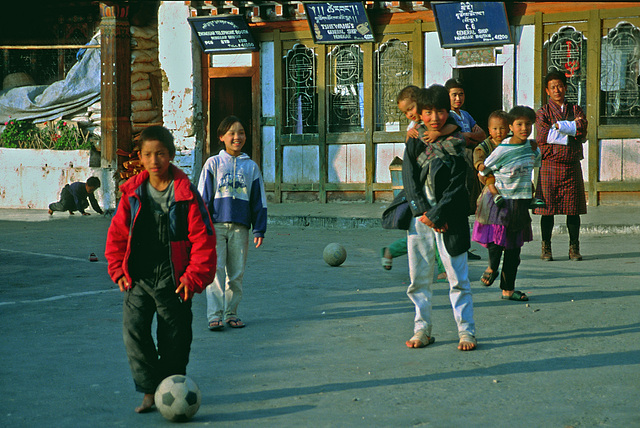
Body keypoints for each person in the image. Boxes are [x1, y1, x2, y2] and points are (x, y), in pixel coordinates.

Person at [105, 125, 217, 414]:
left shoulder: (186, 194)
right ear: (139, 158)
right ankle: (148, 389)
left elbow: (203, 238)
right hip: (139, 276)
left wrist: (193, 276)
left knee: (175, 336)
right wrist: (118, 269)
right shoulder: (132, 193)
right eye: (148, 155)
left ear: (171, 155)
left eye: (161, 154)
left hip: (175, 276)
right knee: (134, 331)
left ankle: (171, 386)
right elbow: (118, 234)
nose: (155, 161)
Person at [402, 84, 476, 351]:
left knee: (458, 278)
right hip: (419, 219)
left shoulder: (457, 142)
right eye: (428, 112)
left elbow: (459, 184)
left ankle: (466, 332)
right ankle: (421, 329)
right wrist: (423, 212)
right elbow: (408, 177)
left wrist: (438, 214)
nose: (435, 118)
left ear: (449, 112)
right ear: (419, 114)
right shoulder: (414, 140)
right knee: (419, 277)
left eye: (441, 111)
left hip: (450, 218)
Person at [197, 115, 267, 331]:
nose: (237, 137)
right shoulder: (213, 164)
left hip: (241, 228)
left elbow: (259, 199)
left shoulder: (251, 167)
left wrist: (259, 228)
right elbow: (203, 197)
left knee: (236, 274)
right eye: (232, 133)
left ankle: (231, 313)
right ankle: (214, 315)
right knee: (216, 272)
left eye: (241, 133)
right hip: (215, 227)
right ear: (221, 137)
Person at [382, 85, 457, 280]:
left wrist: (438, 134)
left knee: (436, 230)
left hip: (439, 188)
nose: (409, 115)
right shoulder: (414, 130)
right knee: (427, 232)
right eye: (405, 112)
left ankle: (442, 268)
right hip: (422, 191)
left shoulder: (440, 122)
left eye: (411, 109)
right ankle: (441, 269)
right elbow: (411, 169)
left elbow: (454, 126)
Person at [472, 106, 541, 301]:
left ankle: (508, 290)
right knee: (497, 241)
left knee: (514, 250)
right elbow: (483, 171)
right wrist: (495, 185)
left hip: (520, 203)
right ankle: (492, 266)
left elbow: (535, 166)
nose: (524, 128)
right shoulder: (501, 149)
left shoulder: (532, 148)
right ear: (511, 126)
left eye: (528, 124)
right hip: (501, 202)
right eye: (519, 124)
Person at [533, 70, 588, 261]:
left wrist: (559, 128)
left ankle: (574, 248)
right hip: (550, 165)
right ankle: (546, 247)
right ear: (547, 91)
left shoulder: (576, 109)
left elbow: (582, 130)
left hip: (572, 165)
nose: (557, 90)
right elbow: (542, 138)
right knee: (547, 210)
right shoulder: (542, 113)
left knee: (573, 209)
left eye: (560, 86)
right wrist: (569, 129)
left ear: (565, 88)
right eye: (553, 87)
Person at [445, 78, 486, 260]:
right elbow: (460, 138)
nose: (457, 98)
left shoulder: (466, 115)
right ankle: (455, 247)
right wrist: (469, 136)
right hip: (457, 159)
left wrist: (468, 135)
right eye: (454, 95)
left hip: (470, 160)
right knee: (458, 203)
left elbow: (482, 134)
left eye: (460, 94)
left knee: (470, 201)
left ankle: (464, 246)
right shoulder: (446, 115)